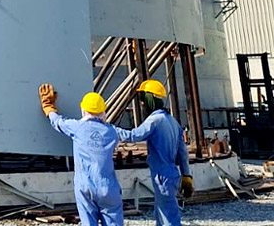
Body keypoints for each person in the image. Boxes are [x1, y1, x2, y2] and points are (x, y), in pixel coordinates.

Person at [38, 83, 124, 226]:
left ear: (83, 110)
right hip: (108, 187)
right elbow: (132, 135)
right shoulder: (111, 131)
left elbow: (57, 121)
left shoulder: (76, 127)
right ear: (103, 111)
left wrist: (48, 106)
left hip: (84, 186)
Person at [115, 80, 194, 226]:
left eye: (143, 100)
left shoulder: (154, 120)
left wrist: (110, 129)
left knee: (168, 216)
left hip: (162, 174)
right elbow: (183, 153)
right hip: (172, 173)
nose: (142, 104)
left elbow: (133, 136)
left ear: (150, 99)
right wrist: (186, 176)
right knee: (162, 213)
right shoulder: (172, 121)